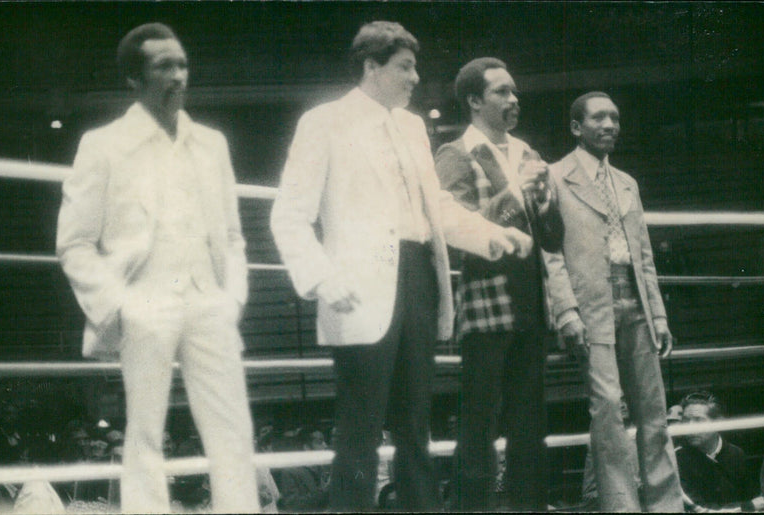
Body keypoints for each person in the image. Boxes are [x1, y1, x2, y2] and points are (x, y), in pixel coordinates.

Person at [270, 21, 532, 511]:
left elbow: (436, 208)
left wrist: (493, 235)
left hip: (418, 278)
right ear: (371, 67)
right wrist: (323, 279)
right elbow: (288, 214)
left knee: (415, 422)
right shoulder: (324, 122)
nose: (416, 78)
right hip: (358, 285)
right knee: (360, 427)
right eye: (405, 67)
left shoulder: (413, 126)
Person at [55, 23, 258, 513]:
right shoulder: (103, 145)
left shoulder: (211, 144)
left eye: (182, 64)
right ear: (134, 78)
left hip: (208, 299)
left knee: (232, 428)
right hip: (142, 301)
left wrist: (231, 298)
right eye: (164, 66)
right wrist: (116, 306)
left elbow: (232, 236)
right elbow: (74, 243)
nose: (178, 76)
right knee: (145, 431)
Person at [542, 91, 684, 511]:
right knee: (607, 413)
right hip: (591, 309)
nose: (609, 125)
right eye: (599, 117)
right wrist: (565, 310)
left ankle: (665, 506)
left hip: (636, 303)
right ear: (576, 127)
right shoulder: (553, 177)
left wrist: (658, 314)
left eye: (615, 118)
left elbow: (644, 256)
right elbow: (549, 252)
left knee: (654, 411)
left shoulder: (627, 183)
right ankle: (622, 507)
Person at [434, 57, 563, 511]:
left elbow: (553, 239)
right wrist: (513, 195)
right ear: (474, 101)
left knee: (530, 423)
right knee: (480, 423)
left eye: (514, 90)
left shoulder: (528, 153)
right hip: (486, 302)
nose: (513, 99)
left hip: (531, 301)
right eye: (501, 92)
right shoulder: (454, 154)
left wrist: (546, 204)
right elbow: (460, 234)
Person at [675, 391, 764, 512]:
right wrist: (748, 506)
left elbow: (752, 497)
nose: (690, 427)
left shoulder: (736, 454)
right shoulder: (676, 459)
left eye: (698, 420)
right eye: (686, 420)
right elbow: (698, 509)